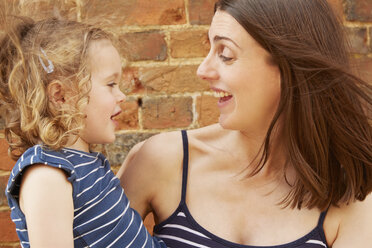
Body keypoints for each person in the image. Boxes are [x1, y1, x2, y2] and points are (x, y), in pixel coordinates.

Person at [118, 0, 372, 247]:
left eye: (226, 55)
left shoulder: (352, 198)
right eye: (210, 49)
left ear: (289, 67)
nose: (203, 70)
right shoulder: (162, 160)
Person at [1, 16, 166, 248]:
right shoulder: (47, 175)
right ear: (60, 96)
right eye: (111, 84)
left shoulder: (84, 165)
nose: (121, 96)